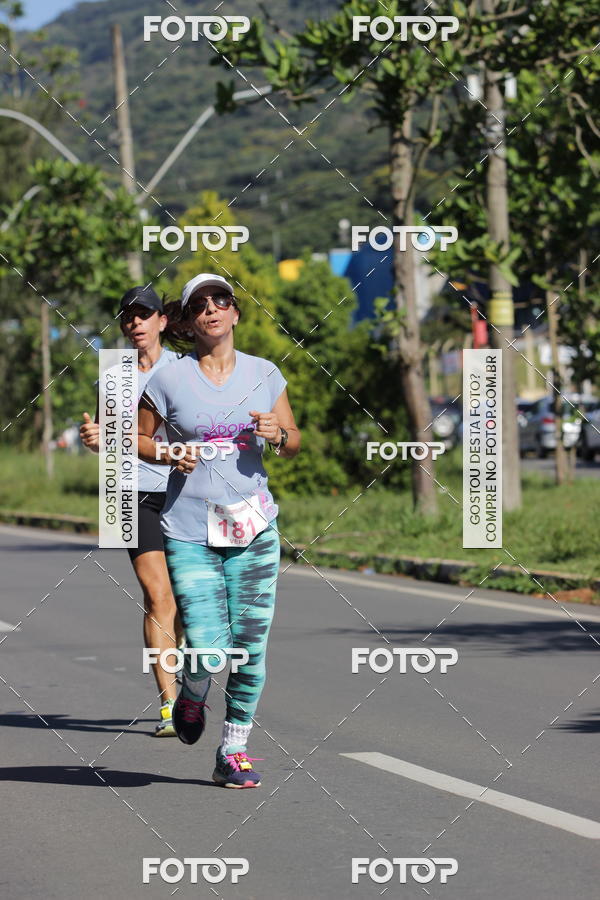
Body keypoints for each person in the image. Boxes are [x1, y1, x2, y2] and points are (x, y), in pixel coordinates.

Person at [137, 272, 300, 788]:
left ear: (235, 312)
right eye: (199, 304)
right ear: (186, 320)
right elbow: (137, 441)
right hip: (189, 532)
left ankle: (233, 749)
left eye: (221, 300)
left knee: (251, 650)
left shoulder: (264, 373)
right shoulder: (167, 379)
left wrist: (279, 434)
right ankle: (191, 690)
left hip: (253, 528)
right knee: (208, 647)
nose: (211, 309)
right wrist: (167, 451)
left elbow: (293, 439)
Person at [80, 285, 182, 736]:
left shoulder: (188, 368)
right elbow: (111, 444)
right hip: (128, 493)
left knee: (186, 601)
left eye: (145, 315)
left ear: (162, 321)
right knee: (157, 594)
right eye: (128, 317)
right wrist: (95, 443)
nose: (136, 323)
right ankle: (169, 705)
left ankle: (181, 670)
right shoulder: (112, 377)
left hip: (186, 492)